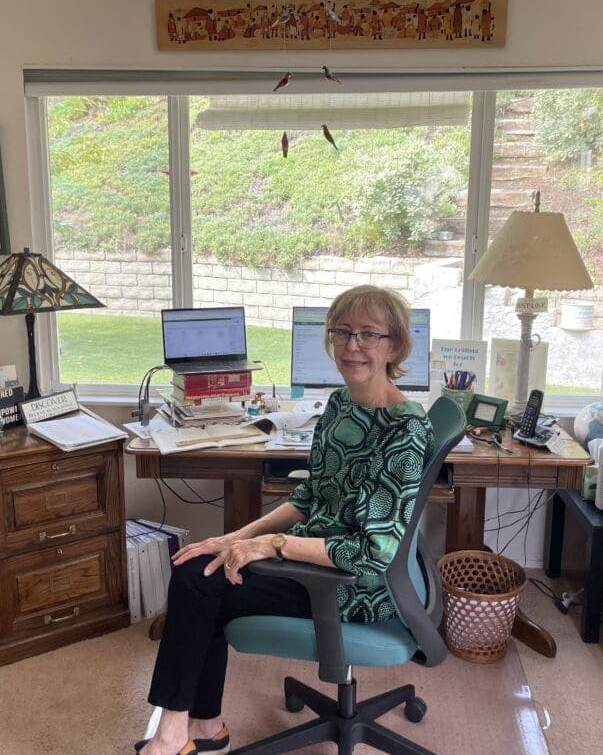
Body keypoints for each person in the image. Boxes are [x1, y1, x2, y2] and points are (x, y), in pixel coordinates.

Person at [136, 285, 434, 755]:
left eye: (368, 335)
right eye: (342, 332)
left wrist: (272, 544)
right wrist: (234, 537)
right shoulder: (341, 405)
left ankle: (175, 733)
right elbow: (310, 496)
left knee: (200, 582)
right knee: (204, 567)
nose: (351, 346)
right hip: (310, 557)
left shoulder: (406, 432)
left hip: (351, 585)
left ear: (394, 346)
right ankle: (202, 726)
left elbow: (373, 552)